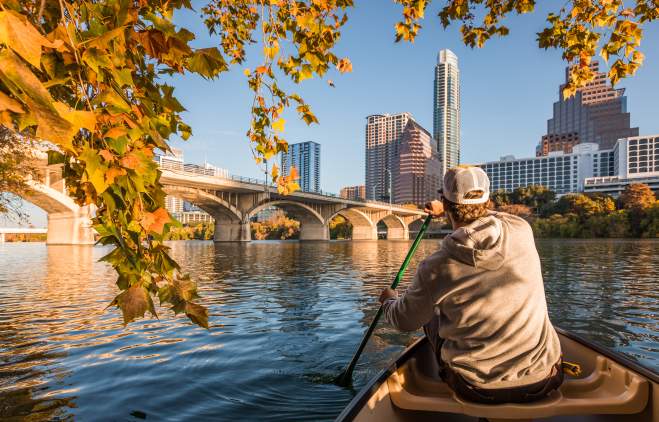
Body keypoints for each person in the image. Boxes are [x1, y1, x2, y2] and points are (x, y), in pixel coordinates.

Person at [379, 166, 563, 404]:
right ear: (488, 200)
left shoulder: (436, 266)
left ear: (446, 204)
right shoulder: (521, 229)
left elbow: (404, 321)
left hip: (476, 387)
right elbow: (492, 216)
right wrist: (446, 205)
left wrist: (389, 301)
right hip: (545, 378)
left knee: (430, 312)